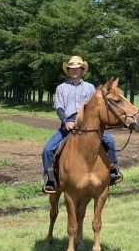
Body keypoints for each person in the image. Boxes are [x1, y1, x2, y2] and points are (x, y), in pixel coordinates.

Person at [41, 55, 122, 194]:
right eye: (71, 68)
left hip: (87, 121)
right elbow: (59, 107)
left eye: (77, 68)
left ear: (82, 70)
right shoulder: (61, 88)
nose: (74, 70)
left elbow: (95, 106)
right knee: (48, 149)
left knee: (110, 141)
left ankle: (113, 170)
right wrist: (66, 122)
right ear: (68, 70)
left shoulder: (90, 87)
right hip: (69, 121)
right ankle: (50, 180)